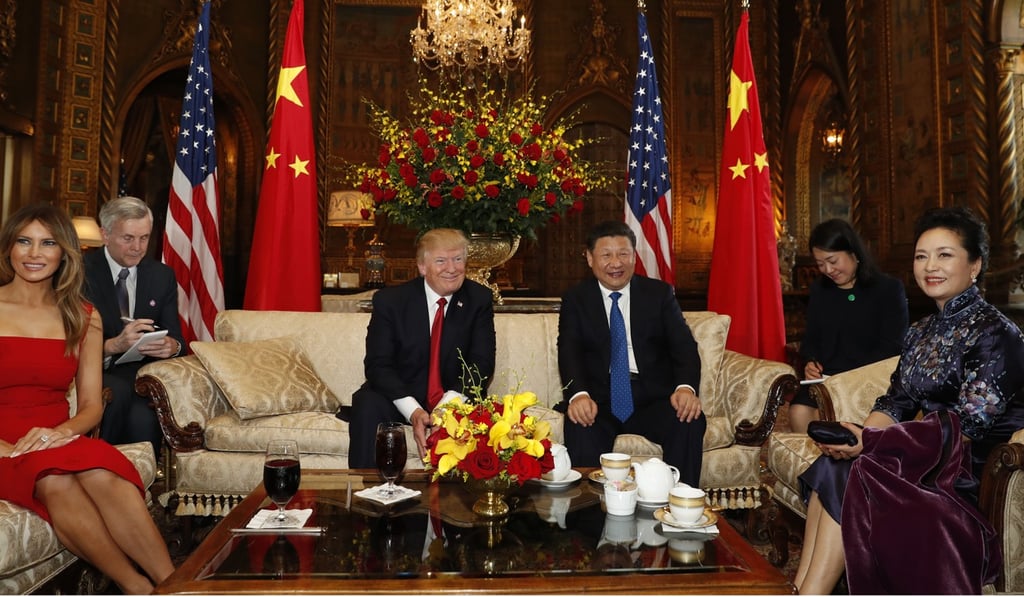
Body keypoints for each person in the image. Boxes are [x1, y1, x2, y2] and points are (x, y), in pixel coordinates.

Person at [794, 206, 1024, 594]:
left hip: (964, 472)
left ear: (975, 265)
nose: (930, 266)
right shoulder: (920, 332)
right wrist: (860, 439)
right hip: (918, 455)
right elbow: (896, 402)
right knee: (837, 467)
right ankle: (802, 589)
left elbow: (968, 428)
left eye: (944, 255)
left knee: (856, 472)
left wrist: (875, 444)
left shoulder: (997, 334)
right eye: (921, 256)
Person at [0, 202, 174, 594]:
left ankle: (174, 586)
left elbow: (93, 406)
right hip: (5, 443)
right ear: (9, 248)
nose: (34, 254)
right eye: (24, 242)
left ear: (64, 252)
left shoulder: (83, 315)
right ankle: (138, 588)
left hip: (56, 433)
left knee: (105, 474)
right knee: (55, 482)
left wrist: (58, 432)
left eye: (47, 243)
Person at [557, 221, 705, 486]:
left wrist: (685, 388)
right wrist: (578, 395)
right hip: (599, 401)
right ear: (589, 258)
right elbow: (569, 351)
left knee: (688, 420)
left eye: (623, 254)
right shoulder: (576, 299)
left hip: (653, 399)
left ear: (634, 256)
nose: (616, 263)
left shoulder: (658, 294)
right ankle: (588, 519)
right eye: (606, 255)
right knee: (579, 424)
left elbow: (683, 346)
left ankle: (682, 508)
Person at [347, 228, 496, 468]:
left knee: (482, 411)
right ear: (422, 267)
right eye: (441, 261)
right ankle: (367, 494)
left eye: (458, 259)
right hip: (401, 396)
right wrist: (414, 411)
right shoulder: (391, 301)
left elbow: (481, 363)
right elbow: (378, 365)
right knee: (367, 404)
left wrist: (447, 408)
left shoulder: (478, 300)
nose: (452, 268)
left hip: (453, 396)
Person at [83, 196, 184, 458]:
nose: (137, 248)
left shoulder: (162, 275)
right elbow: (67, 339)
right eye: (128, 238)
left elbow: (176, 337)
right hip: (93, 372)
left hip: (141, 377)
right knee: (117, 395)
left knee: (145, 415)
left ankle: (140, 488)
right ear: (105, 234)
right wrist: (113, 345)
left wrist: (172, 347)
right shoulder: (79, 272)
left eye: (144, 238)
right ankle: (95, 474)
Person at [790, 219, 908, 432]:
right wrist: (810, 363)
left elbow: (892, 347)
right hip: (826, 380)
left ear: (853, 252)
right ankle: (813, 465)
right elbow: (812, 341)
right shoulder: (820, 290)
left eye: (832, 260)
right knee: (799, 411)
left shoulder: (888, 289)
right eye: (820, 264)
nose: (827, 269)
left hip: (868, 379)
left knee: (824, 416)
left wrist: (848, 378)